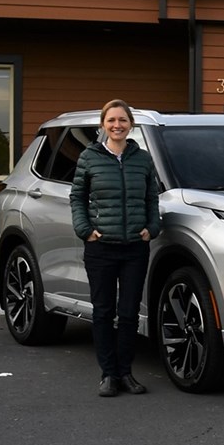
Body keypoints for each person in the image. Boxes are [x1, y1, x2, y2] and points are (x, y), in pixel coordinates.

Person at [70, 99, 161, 398]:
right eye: (111, 120)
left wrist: (153, 226)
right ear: (103, 124)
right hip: (101, 248)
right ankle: (108, 375)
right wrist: (86, 231)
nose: (117, 125)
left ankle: (126, 373)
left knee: (130, 312)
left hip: (135, 247)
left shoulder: (143, 159)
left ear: (130, 124)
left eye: (122, 120)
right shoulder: (89, 157)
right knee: (103, 311)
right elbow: (77, 197)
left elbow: (152, 197)